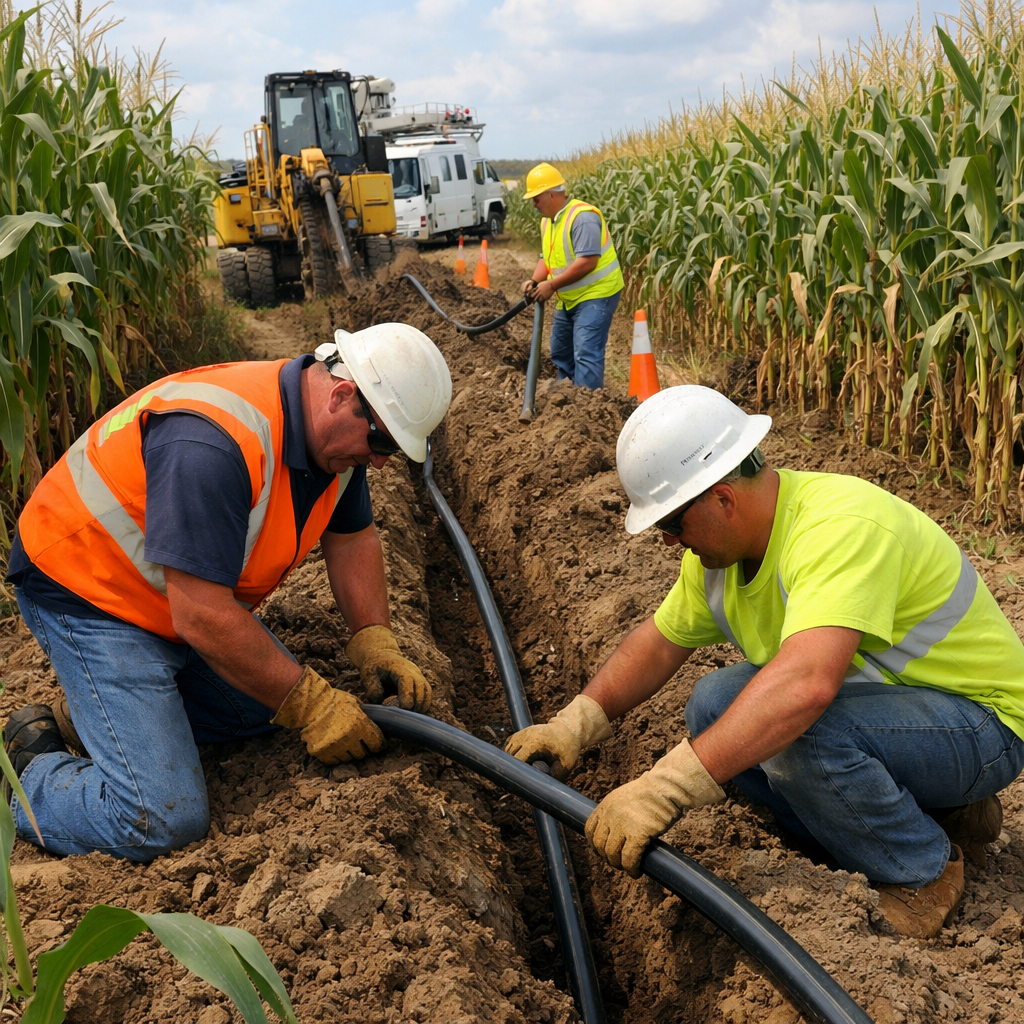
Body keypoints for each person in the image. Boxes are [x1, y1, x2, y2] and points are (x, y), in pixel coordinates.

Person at [506, 385, 1024, 938]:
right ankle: (935, 811)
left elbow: (805, 687)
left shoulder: (838, 527)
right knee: (713, 705)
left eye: (671, 525)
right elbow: (657, 643)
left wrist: (667, 785)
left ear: (722, 499)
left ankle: (922, 868)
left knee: (800, 732)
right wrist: (576, 723)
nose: (669, 542)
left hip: (981, 723)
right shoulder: (718, 560)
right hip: (897, 716)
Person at [4, 323, 452, 862]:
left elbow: (352, 536)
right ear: (341, 395)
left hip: (168, 600)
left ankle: (94, 716)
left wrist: (375, 640)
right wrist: (309, 704)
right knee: (161, 819)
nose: (380, 461)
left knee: (259, 711)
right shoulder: (213, 443)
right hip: (88, 590)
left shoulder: (335, 444)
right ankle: (30, 774)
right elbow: (202, 617)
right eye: (380, 442)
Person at [520, 163, 624, 390]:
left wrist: (551, 285)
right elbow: (546, 258)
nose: (534, 205)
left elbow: (588, 261)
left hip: (597, 293)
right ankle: (566, 400)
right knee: (560, 351)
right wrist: (535, 281)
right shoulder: (548, 221)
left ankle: (588, 407)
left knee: (585, 352)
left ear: (550, 194)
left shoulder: (582, 218)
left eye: (536, 199)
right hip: (569, 297)